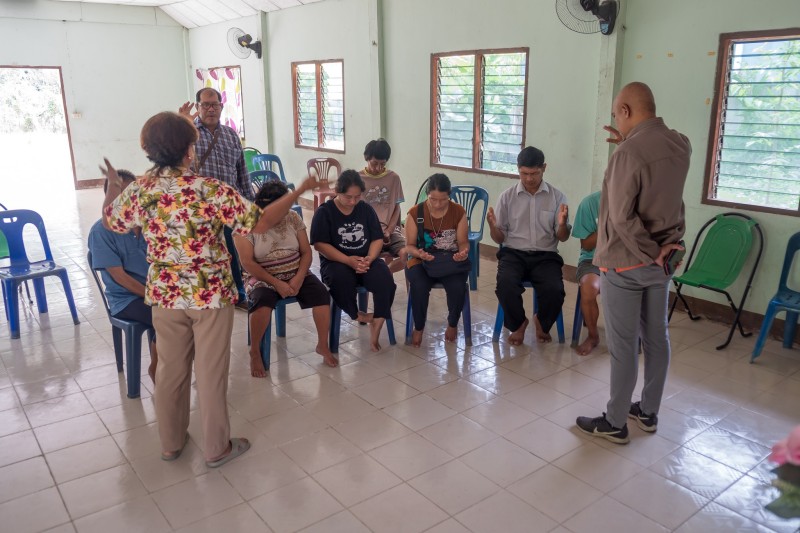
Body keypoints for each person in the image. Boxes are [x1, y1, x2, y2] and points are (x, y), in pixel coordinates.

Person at [102, 111, 319, 467]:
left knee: (171, 370)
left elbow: (112, 219)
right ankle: (217, 447)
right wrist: (298, 190)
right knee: (210, 371)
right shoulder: (209, 190)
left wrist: (113, 183)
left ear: (149, 150)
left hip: (165, 295)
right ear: (188, 150)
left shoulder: (140, 189)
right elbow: (261, 221)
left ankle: (171, 444)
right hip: (210, 294)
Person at [576, 82, 690, 444]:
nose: (616, 122)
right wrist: (659, 254)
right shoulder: (680, 143)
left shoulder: (627, 155)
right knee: (657, 337)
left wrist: (647, 251)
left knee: (624, 346)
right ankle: (649, 411)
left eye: (616, 115)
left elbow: (622, 219)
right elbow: (660, 188)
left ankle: (614, 422)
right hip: (664, 262)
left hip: (627, 263)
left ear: (625, 110)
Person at [234, 180, 337, 375]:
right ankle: (255, 351)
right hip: (262, 276)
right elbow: (248, 262)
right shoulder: (246, 223)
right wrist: (276, 283)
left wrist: (298, 278)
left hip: (295, 271)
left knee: (322, 295)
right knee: (262, 301)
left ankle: (322, 344)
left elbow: (306, 252)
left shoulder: (293, 217)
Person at [486, 146, 570, 345]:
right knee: (505, 284)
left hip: (545, 255)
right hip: (513, 254)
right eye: (524, 173)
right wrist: (492, 227)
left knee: (555, 289)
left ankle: (542, 321)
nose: (529, 179)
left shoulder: (557, 197)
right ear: (518, 169)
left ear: (544, 168)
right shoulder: (507, 197)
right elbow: (499, 239)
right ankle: (518, 324)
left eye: (534, 173)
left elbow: (563, 237)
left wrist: (561, 224)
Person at [180, 88, 253, 309]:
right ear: (198, 107)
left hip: (229, 206)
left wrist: (249, 200)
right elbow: (175, 162)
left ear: (221, 107)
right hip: (200, 208)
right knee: (204, 254)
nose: (211, 109)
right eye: (205, 105)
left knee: (234, 251)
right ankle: (205, 296)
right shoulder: (188, 134)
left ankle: (239, 295)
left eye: (215, 105)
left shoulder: (231, 134)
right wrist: (182, 124)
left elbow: (242, 170)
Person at [310, 170, 397, 352]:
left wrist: (370, 258)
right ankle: (360, 316)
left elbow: (377, 238)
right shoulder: (325, 212)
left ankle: (377, 324)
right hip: (337, 262)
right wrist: (348, 260)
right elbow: (320, 245)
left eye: (357, 197)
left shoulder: (365, 209)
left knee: (385, 280)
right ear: (337, 191)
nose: (352, 202)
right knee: (340, 280)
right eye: (348, 197)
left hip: (366, 259)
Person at [88, 170, 158, 383]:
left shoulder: (150, 222)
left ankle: (171, 368)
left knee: (187, 315)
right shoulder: (101, 231)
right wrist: (154, 295)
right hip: (126, 299)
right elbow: (120, 277)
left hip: (157, 291)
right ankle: (158, 369)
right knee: (165, 319)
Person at [404, 173, 470, 347]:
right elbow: (409, 246)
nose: (438, 204)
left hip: (450, 260)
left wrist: (462, 253)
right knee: (419, 285)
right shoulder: (415, 212)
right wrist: (420, 254)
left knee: (457, 286)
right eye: (433, 199)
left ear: (449, 195)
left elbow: (463, 242)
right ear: (427, 194)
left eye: (443, 199)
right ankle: (418, 327)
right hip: (421, 261)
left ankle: (452, 323)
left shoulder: (458, 212)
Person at [359, 139, 406, 273]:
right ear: (367, 159)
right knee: (366, 259)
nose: (378, 168)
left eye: (382, 164)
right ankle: (380, 277)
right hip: (367, 232)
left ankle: (385, 273)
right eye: (374, 163)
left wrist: (389, 231)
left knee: (408, 255)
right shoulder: (358, 178)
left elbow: (396, 208)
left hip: (390, 230)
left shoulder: (394, 178)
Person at [571, 190, 602, 356]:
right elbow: (587, 245)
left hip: (626, 262)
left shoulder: (638, 203)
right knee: (589, 287)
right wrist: (607, 226)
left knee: (636, 288)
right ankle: (592, 336)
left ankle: (629, 338)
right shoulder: (590, 203)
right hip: (593, 260)